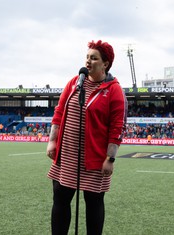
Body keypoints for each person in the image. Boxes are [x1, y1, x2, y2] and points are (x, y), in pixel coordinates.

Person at [46, 40, 127, 235]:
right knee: (60, 198)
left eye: (94, 58)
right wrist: (52, 140)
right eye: (87, 57)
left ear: (105, 64)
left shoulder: (114, 90)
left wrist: (110, 158)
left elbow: (117, 127)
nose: (88, 61)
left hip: (95, 158)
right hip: (67, 154)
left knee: (94, 202)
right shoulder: (75, 82)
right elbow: (58, 113)